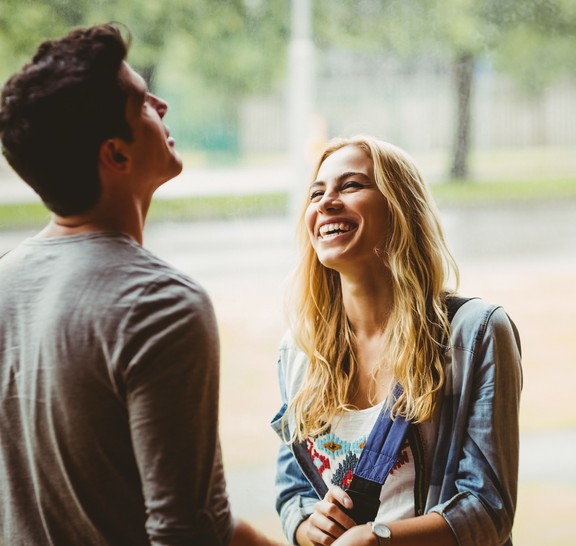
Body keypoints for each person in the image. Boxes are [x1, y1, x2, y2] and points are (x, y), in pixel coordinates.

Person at [0, 23, 282, 546]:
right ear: (117, 155)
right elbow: (189, 535)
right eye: (143, 102)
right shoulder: (160, 305)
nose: (164, 104)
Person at [271, 135, 522, 546]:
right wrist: (304, 527)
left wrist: (380, 539)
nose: (326, 202)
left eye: (350, 186)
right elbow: (293, 491)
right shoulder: (299, 350)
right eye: (317, 192)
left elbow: (488, 509)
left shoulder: (475, 333)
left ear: (401, 208)